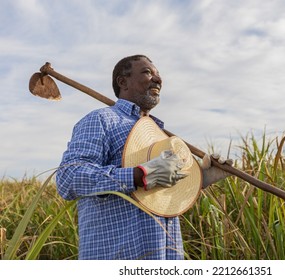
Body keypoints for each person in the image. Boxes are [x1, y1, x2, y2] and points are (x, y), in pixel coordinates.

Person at [56, 55, 232, 260]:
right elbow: (68, 177)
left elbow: (162, 191)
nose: (158, 79)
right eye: (148, 72)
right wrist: (140, 175)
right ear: (123, 82)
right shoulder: (101, 120)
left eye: (158, 74)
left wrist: (199, 178)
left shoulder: (160, 134)